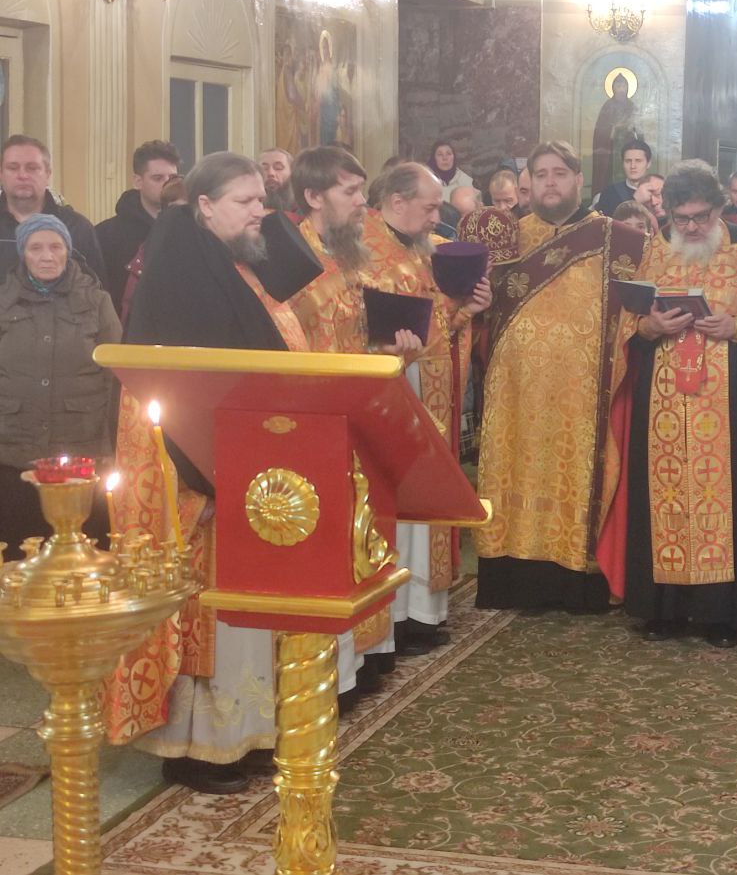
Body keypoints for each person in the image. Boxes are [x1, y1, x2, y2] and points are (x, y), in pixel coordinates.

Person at [116, 152, 293, 794]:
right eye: (246, 201)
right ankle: (193, 750)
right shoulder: (184, 271)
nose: (260, 211)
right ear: (206, 206)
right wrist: (213, 474)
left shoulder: (219, 259)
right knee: (203, 612)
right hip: (191, 471)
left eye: (262, 199)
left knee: (241, 608)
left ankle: (243, 734)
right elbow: (184, 388)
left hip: (231, 457)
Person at [597, 160, 737, 647]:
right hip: (662, 407)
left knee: (734, 504)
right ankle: (662, 609)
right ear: (667, 213)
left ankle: (724, 614)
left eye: (701, 217)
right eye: (681, 218)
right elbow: (628, 323)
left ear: (718, 208)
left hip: (734, 404)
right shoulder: (655, 249)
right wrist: (650, 326)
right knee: (660, 501)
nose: (691, 228)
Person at [474, 140, 647, 611]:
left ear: (578, 180)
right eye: (541, 174)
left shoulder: (618, 241)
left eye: (560, 173)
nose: (550, 182)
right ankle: (510, 575)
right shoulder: (506, 240)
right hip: (513, 391)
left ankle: (578, 581)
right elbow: (477, 312)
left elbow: (638, 315)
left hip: (583, 396)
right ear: (529, 183)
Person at [286, 145, 423, 708]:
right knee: (327, 549)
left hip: (358, 415)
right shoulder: (292, 261)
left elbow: (358, 337)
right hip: (315, 423)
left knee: (363, 539)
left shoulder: (351, 255)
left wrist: (392, 352)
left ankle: (360, 660)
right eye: (349, 191)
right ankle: (328, 676)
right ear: (313, 196)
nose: (362, 203)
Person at [366, 161, 491, 654]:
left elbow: (439, 326)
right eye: (430, 207)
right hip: (389, 393)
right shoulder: (363, 251)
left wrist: (468, 310)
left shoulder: (425, 248)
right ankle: (393, 616)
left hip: (428, 391)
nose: (438, 218)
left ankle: (422, 611)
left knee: (426, 501)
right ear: (397, 202)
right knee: (394, 505)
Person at [0, 214, 119, 557]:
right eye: (36, 248)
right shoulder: (3, 302)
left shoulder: (97, 302)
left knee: (81, 558)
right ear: (23, 254)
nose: (47, 256)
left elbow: (116, 374)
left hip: (82, 452)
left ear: (68, 250)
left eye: (55, 247)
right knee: (19, 557)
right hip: (14, 453)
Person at [1, 134, 105, 283]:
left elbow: (97, 289)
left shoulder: (77, 228)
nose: (22, 175)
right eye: (13, 168)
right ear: (1, 174)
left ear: (48, 174)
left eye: (32, 168)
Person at [96, 140, 181, 313]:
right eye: (157, 178)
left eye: (172, 178)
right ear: (138, 181)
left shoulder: (192, 230)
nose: (167, 184)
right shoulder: (106, 235)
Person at [595, 138, 653, 217]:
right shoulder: (609, 193)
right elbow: (604, 223)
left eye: (638, 161)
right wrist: (635, 201)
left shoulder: (658, 191)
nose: (633, 166)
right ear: (622, 163)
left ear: (648, 163)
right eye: (628, 161)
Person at [258, 147, 295, 213]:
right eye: (264, 168)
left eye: (278, 168)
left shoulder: (305, 205)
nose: (270, 173)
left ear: (292, 171)